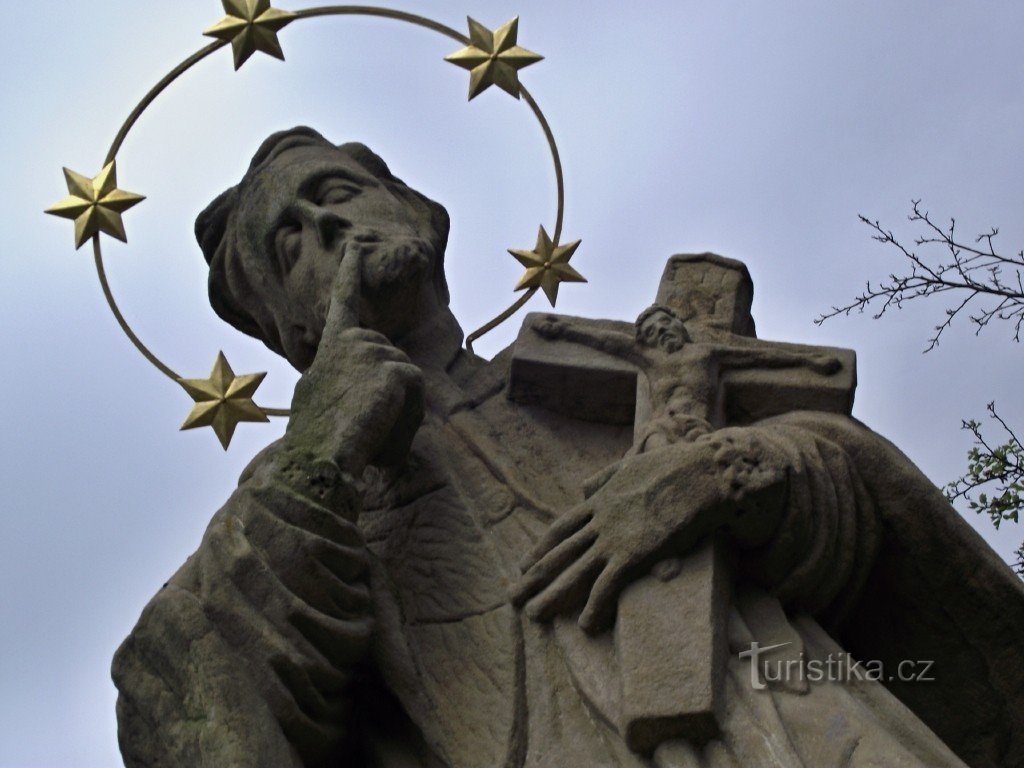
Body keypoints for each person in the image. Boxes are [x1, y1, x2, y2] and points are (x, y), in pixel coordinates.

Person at [113, 127, 1024, 768]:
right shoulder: (317, 506)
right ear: (291, 327)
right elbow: (183, 689)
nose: (327, 228)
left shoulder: (601, 366)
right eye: (291, 243)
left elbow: (851, 494)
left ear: (421, 218)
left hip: (801, 724)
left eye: (339, 194)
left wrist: (715, 476)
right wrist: (320, 451)